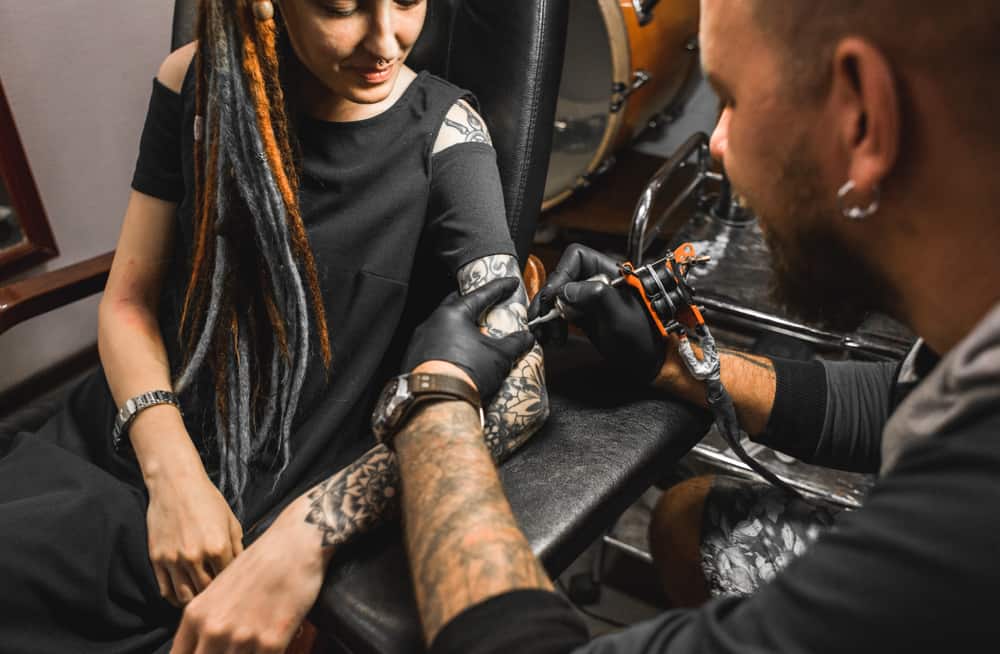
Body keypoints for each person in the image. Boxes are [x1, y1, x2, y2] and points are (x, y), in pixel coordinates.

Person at [377, 0, 1000, 652]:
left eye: (730, 100)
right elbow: (894, 401)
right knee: (688, 517)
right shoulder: (970, 334)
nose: (719, 145)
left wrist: (435, 401)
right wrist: (670, 363)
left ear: (864, 118)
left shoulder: (962, 531)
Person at [0, 1, 545, 652]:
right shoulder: (193, 82)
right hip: (132, 433)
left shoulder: (450, 135)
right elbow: (129, 302)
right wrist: (171, 474)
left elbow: (520, 378)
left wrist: (309, 532)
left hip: (257, 503)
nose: (386, 40)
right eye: (343, 7)